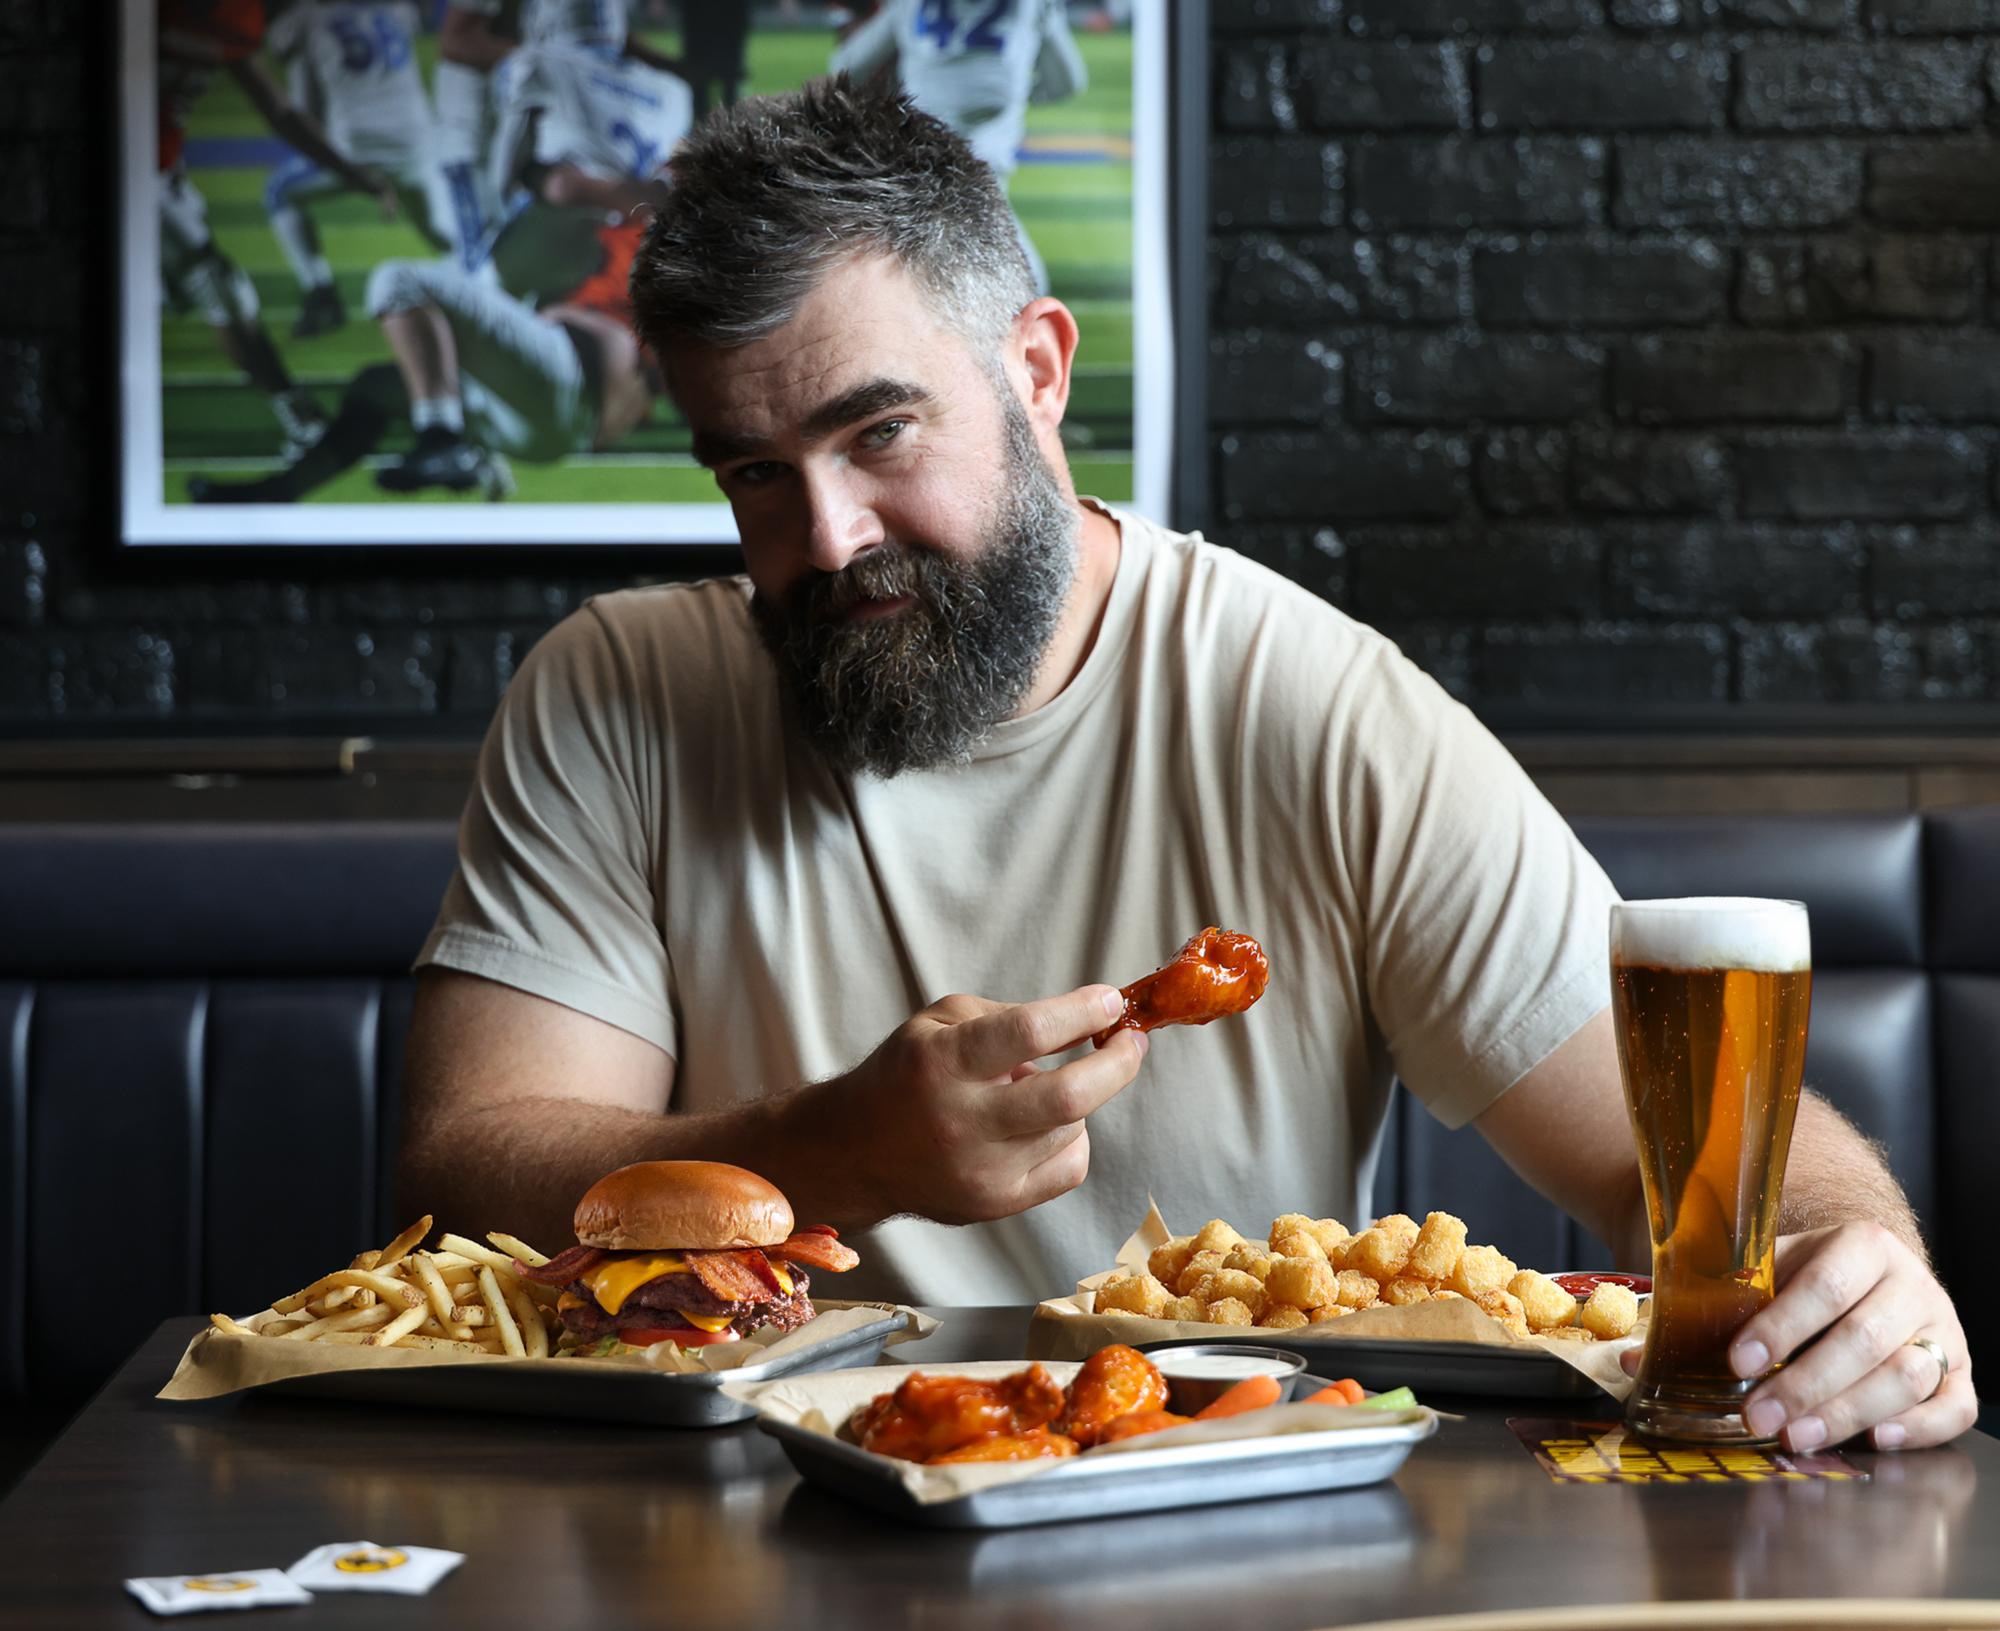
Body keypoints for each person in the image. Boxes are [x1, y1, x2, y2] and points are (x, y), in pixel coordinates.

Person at [395, 80, 1976, 1454]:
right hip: (729, 1524)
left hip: (1228, 1510)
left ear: (1037, 368)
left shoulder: (1320, 706)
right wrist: (835, 1149)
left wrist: (1855, 1268)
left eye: (878, 433)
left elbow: (1667, 1155)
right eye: (756, 473)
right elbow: (472, 1175)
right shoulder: (613, 688)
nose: (826, 538)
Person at [158, 0, 397, 454]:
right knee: (217, 285)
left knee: (205, 288)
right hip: (139, 171)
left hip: (162, 172)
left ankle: (296, 410)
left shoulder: (239, 16)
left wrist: (349, 171)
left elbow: (279, 109)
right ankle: (297, 414)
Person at [829, 0, 1084, 294]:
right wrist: (1020, 93)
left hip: (922, 151)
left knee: (917, 275)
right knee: (1029, 287)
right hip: (982, 160)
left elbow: (848, 64)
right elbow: (1069, 81)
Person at [263, 0, 467, 338]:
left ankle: (321, 293)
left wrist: (355, 173)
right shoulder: (397, 10)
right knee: (442, 233)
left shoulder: (303, 21)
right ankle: (487, 280)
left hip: (354, 151)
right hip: (416, 143)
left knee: (279, 193)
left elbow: (304, 113)